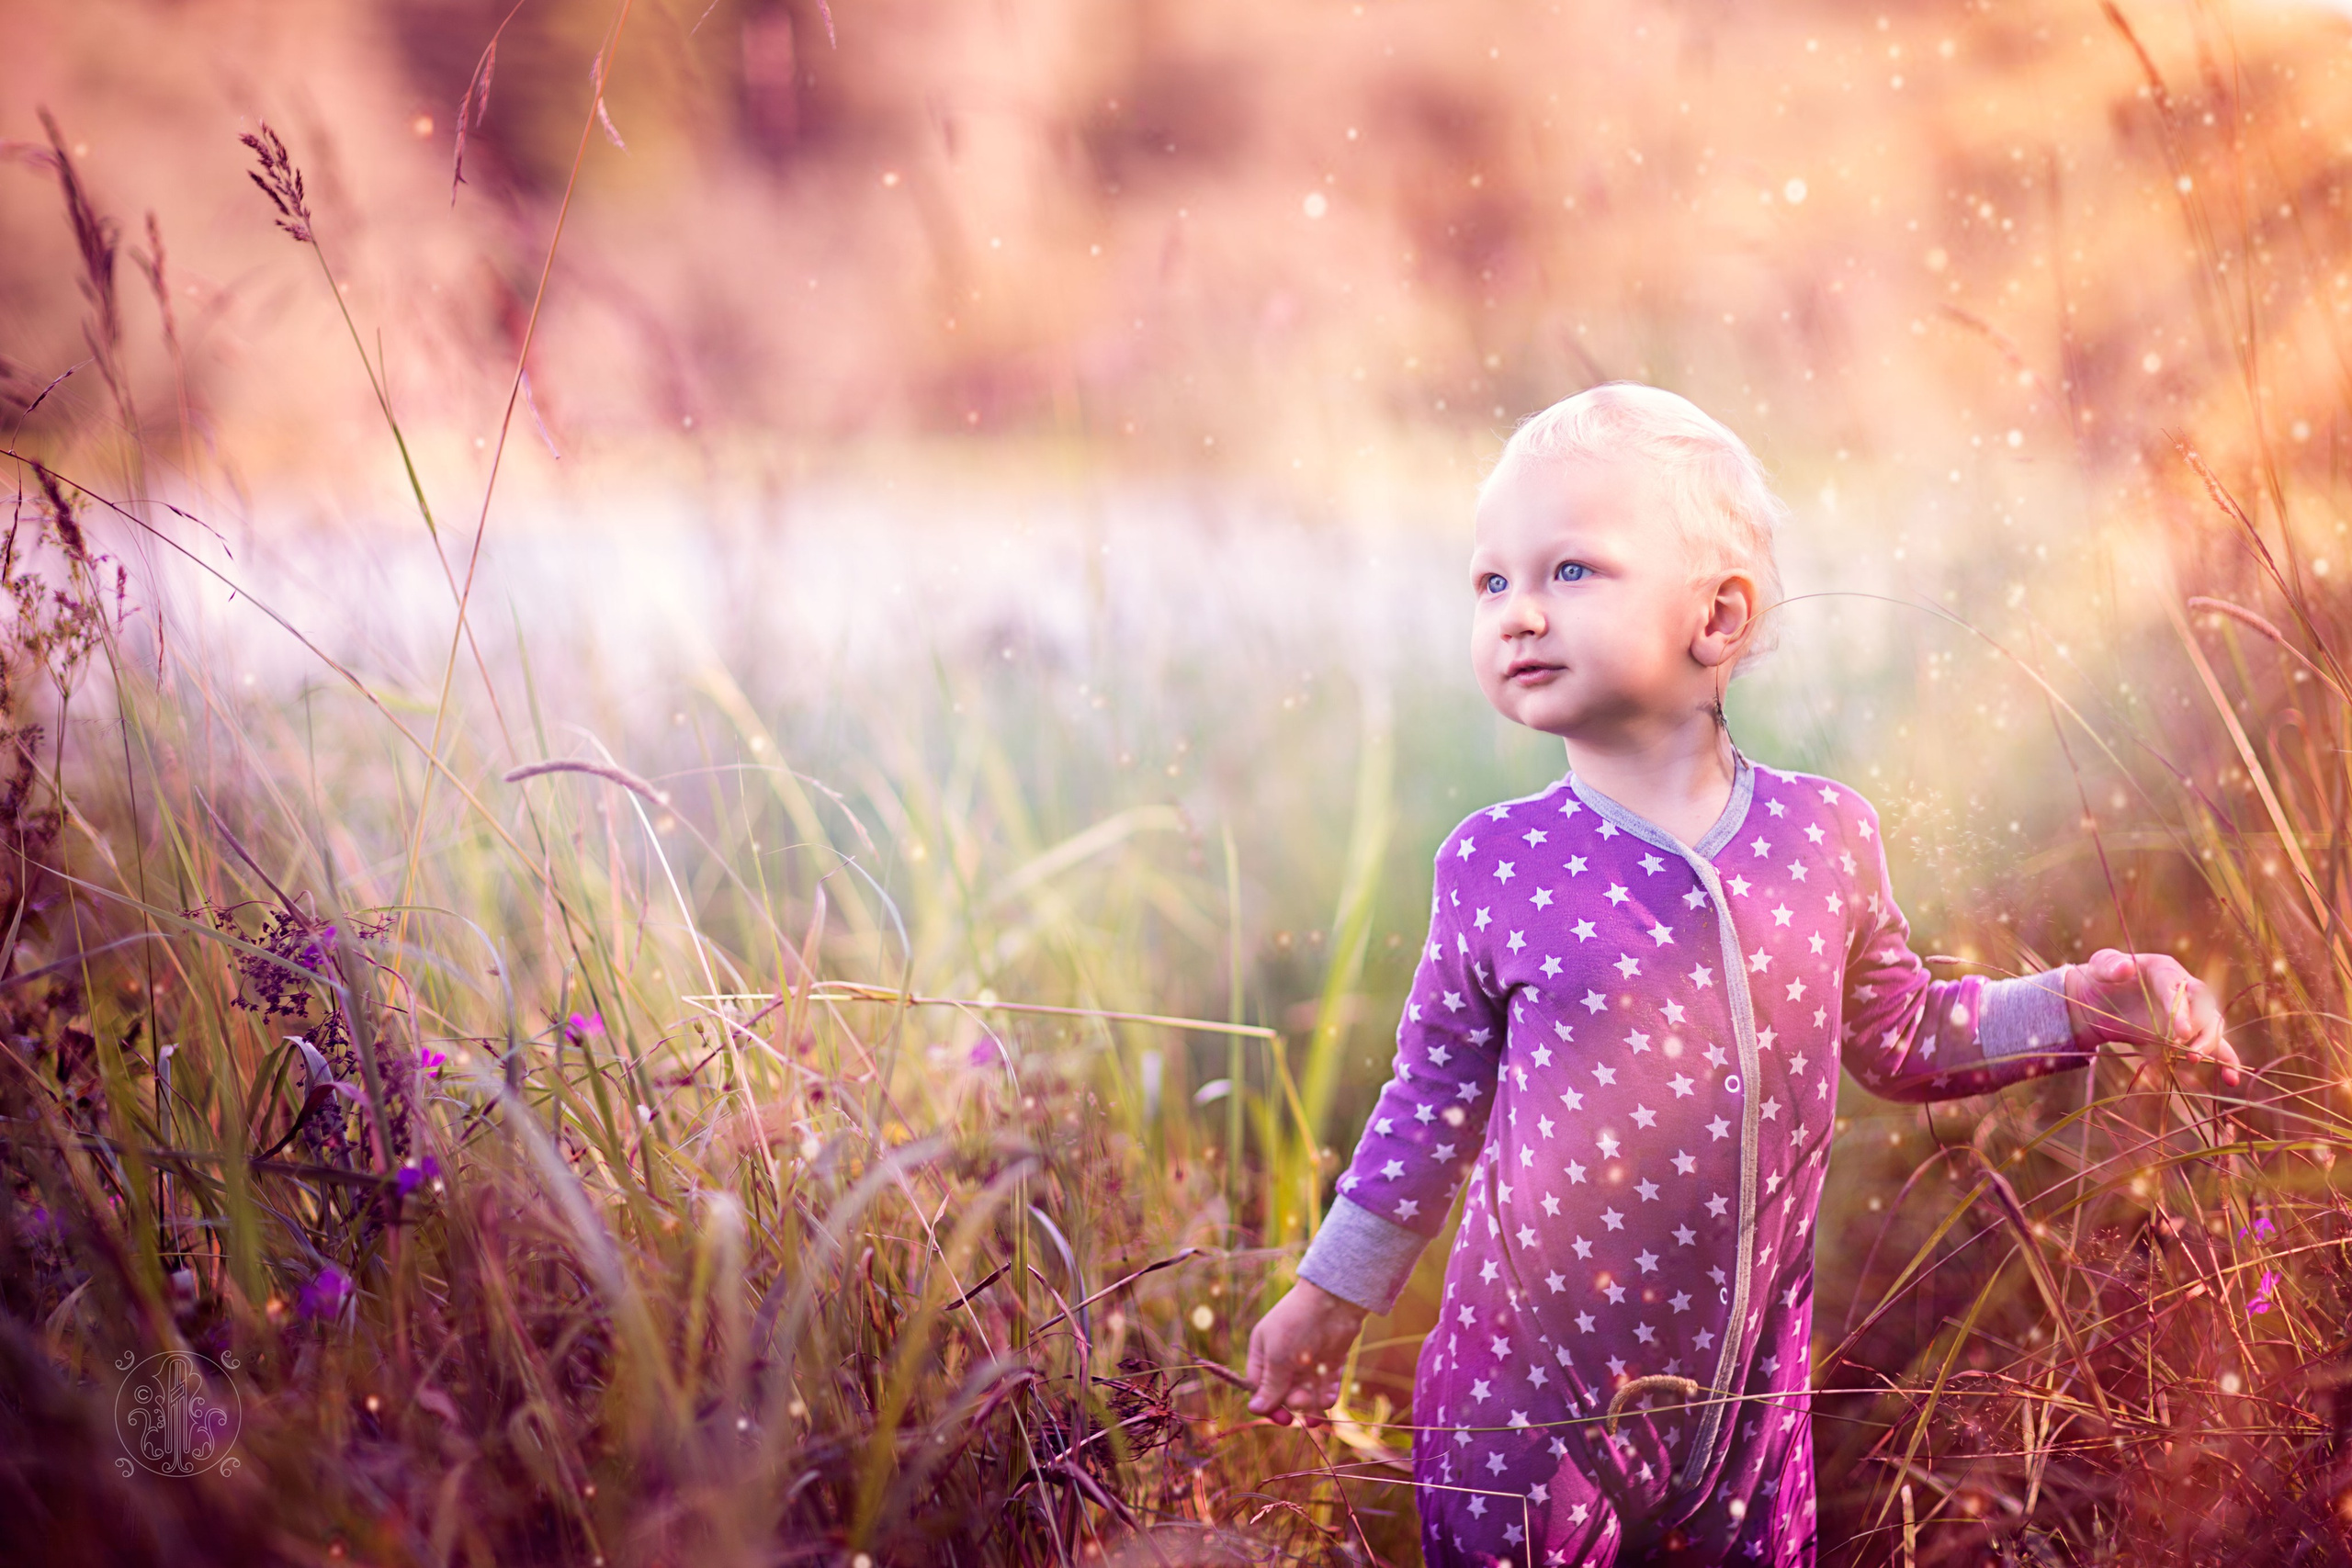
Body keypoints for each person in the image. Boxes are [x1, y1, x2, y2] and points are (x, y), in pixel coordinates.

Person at [1242, 383, 2241, 1566]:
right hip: (1528, 1408)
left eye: (1571, 572)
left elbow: (1909, 1035)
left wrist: (2086, 1001)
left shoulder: (1824, 838)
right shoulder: (1498, 863)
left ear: (1716, 617)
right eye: (1491, 581)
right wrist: (1331, 1293)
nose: (1516, 614)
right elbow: (1428, 1109)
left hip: (1751, 1419)